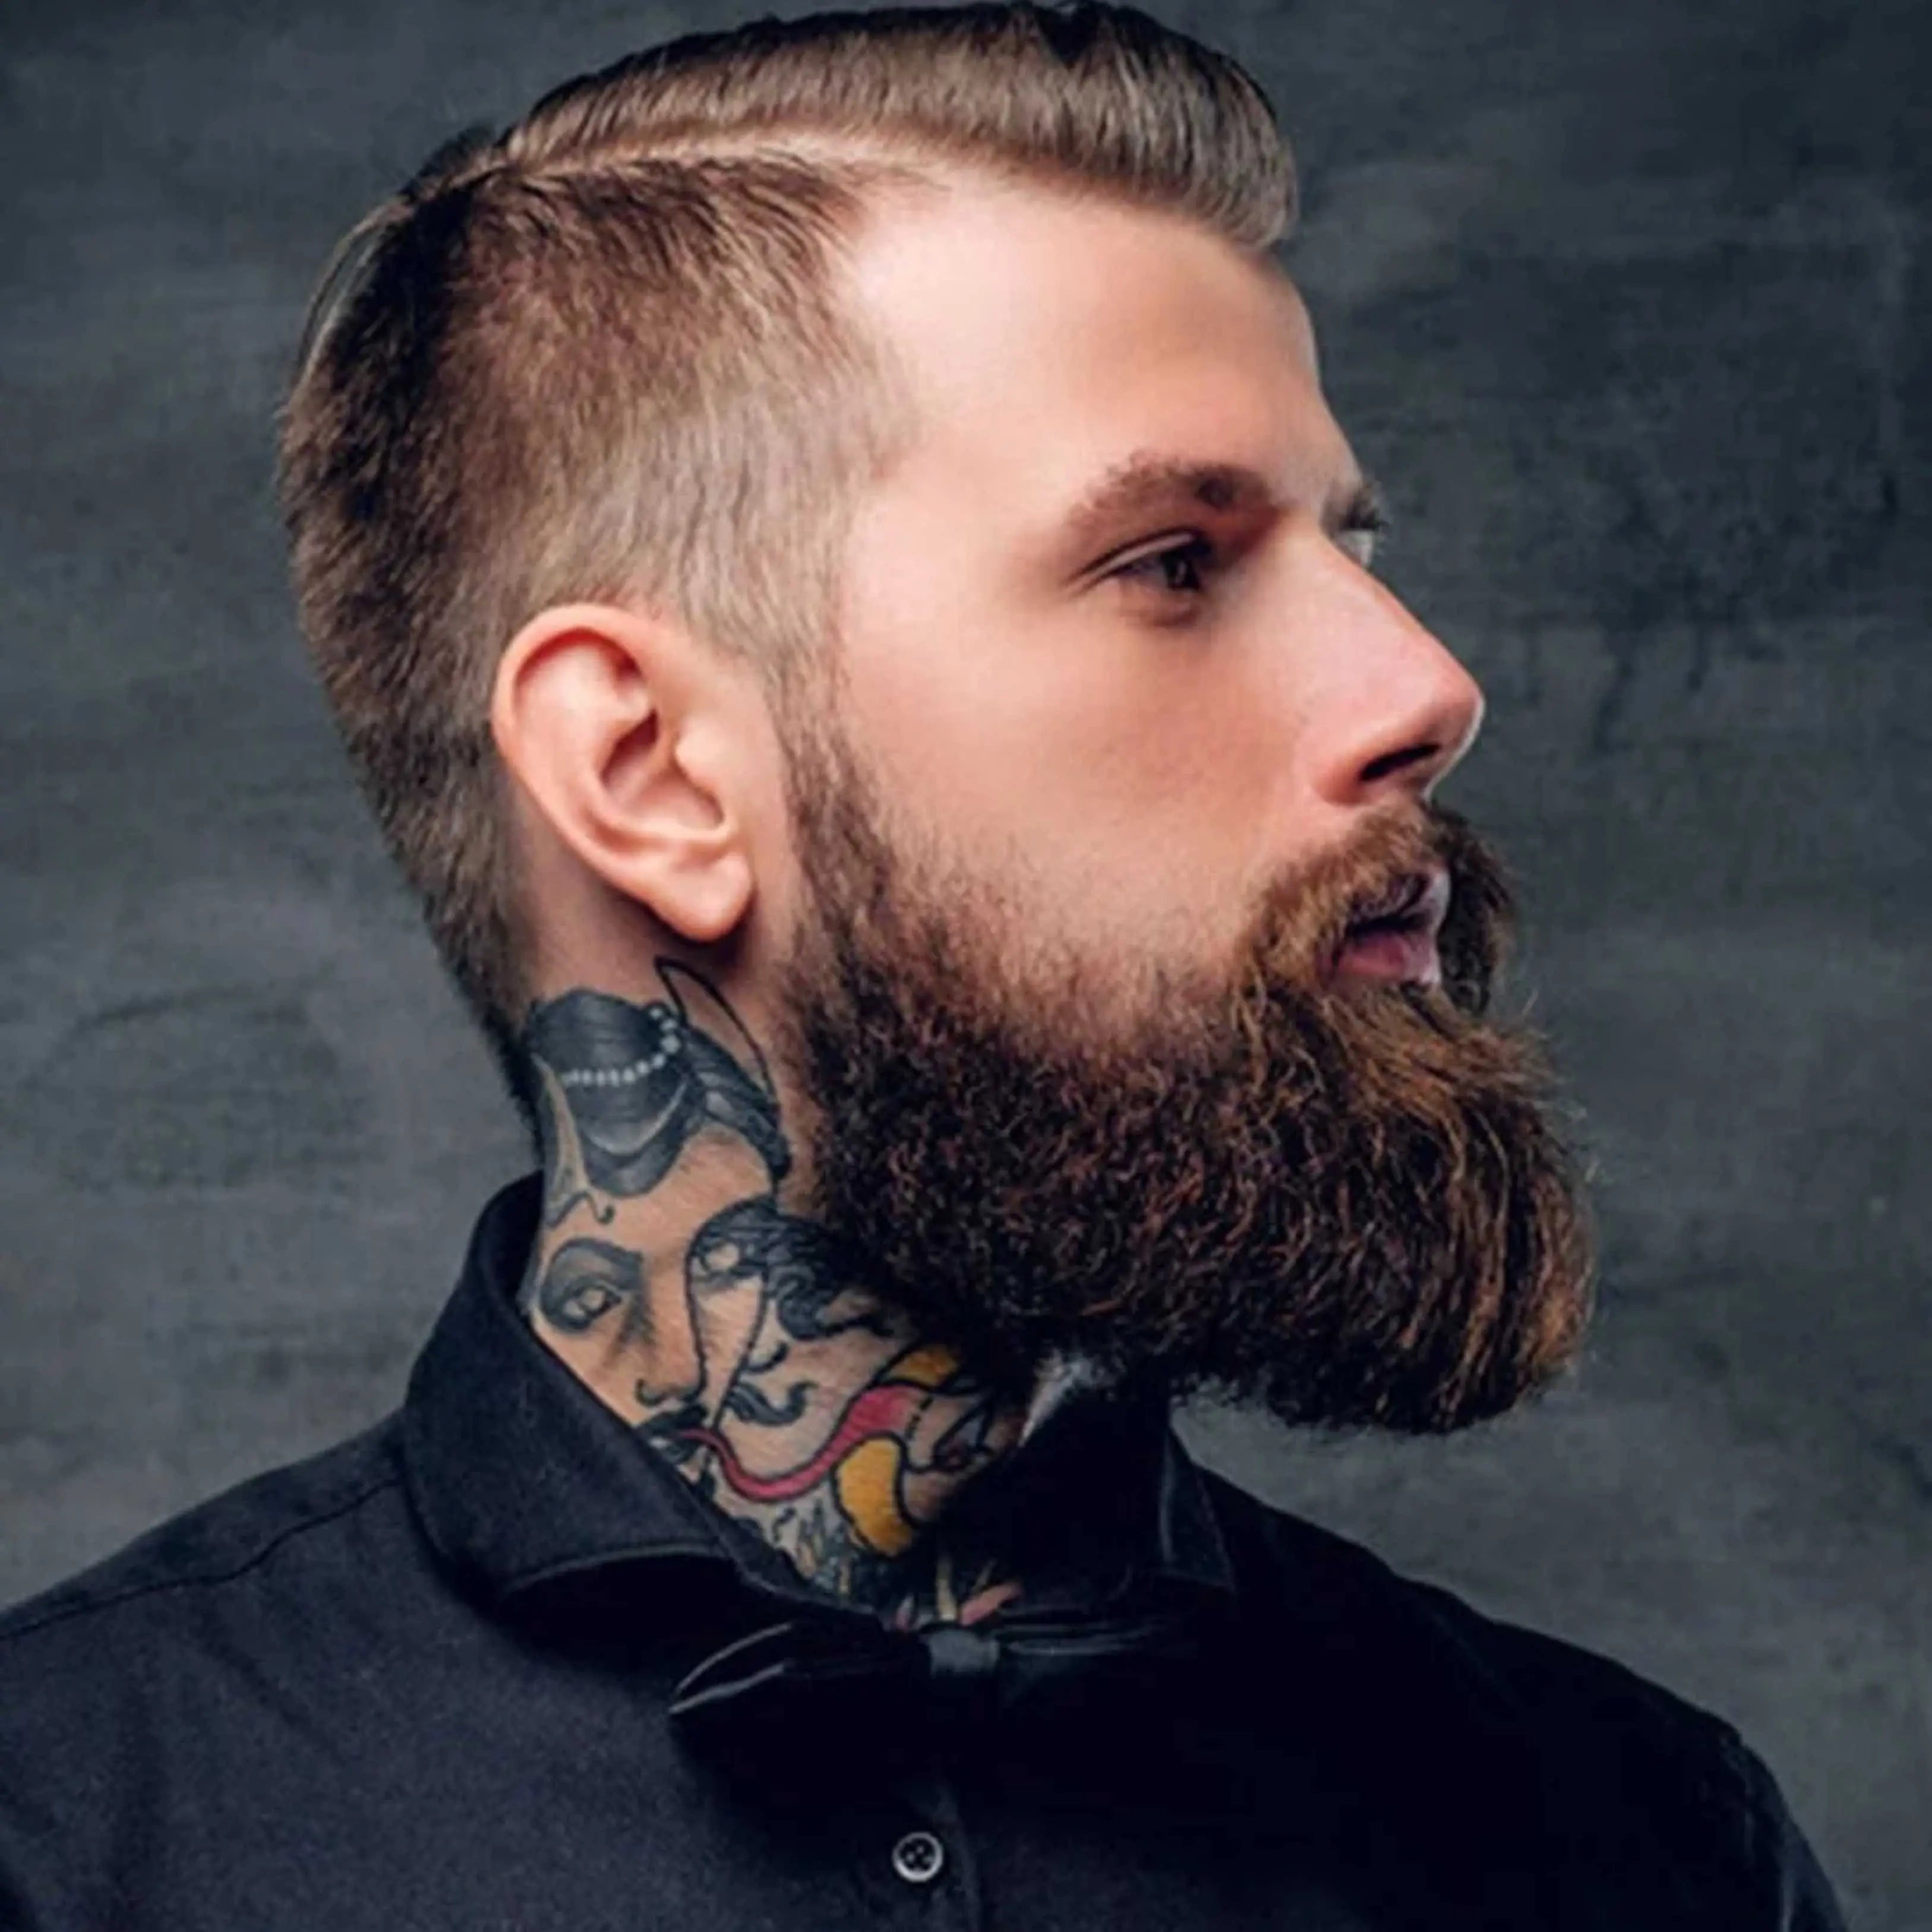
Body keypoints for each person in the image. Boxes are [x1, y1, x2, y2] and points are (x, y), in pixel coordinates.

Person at [0, 4, 1845, 1926]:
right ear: (651, 772)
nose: (1424, 687)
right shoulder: (69, 1838)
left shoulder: (1644, 1846)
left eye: (1346, 545)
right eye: (1172, 563)